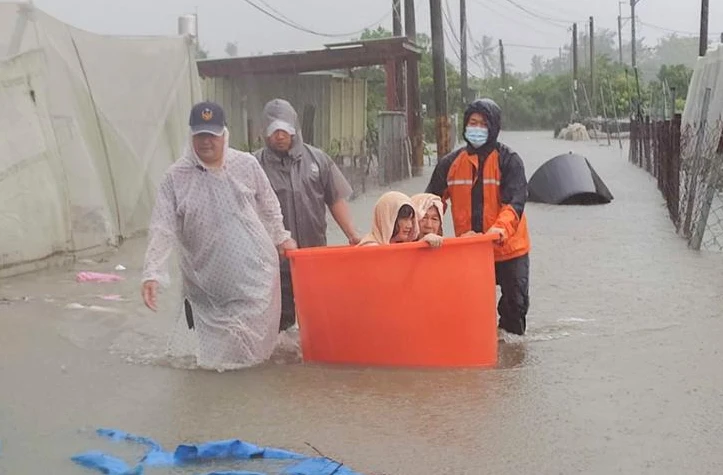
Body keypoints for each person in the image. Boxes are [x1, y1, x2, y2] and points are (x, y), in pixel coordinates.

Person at [140, 101, 297, 370]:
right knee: (213, 362)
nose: (206, 142)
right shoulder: (175, 178)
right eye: (200, 135)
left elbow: (269, 204)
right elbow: (162, 227)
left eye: (212, 135)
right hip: (206, 284)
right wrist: (152, 272)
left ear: (224, 134)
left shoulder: (246, 165)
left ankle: (247, 402)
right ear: (191, 136)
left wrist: (281, 237)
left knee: (254, 359)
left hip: (254, 278)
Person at [425, 98, 531, 336]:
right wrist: (425, 232)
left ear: (493, 127)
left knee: (515, 306)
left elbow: (514, 204)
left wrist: (498, 230)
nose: (477, 128)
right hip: (469, 249)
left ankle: (509, 357)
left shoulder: (509, 161)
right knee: (467, 308)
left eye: (483, 124)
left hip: (509, 249)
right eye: (472, 123)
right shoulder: (449, 163)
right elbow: (431, 205)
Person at [254, 98, 360, 331]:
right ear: (264, 132)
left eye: (285, 129)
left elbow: (335, 199)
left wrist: (353, 234)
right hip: (273, 265)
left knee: (319, 324)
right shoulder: (252, 165)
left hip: (314, 259)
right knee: (277, 329)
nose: (280, 136)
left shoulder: (318, 160)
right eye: (274, 130)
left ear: (295, 129)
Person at [358, 191, 441, 247]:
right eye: (404, 219)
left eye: (411, 219)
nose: (409, 225)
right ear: (387, 218)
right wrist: (420, 246)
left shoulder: (402, 244)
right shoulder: (369, 247)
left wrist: (423, 244)